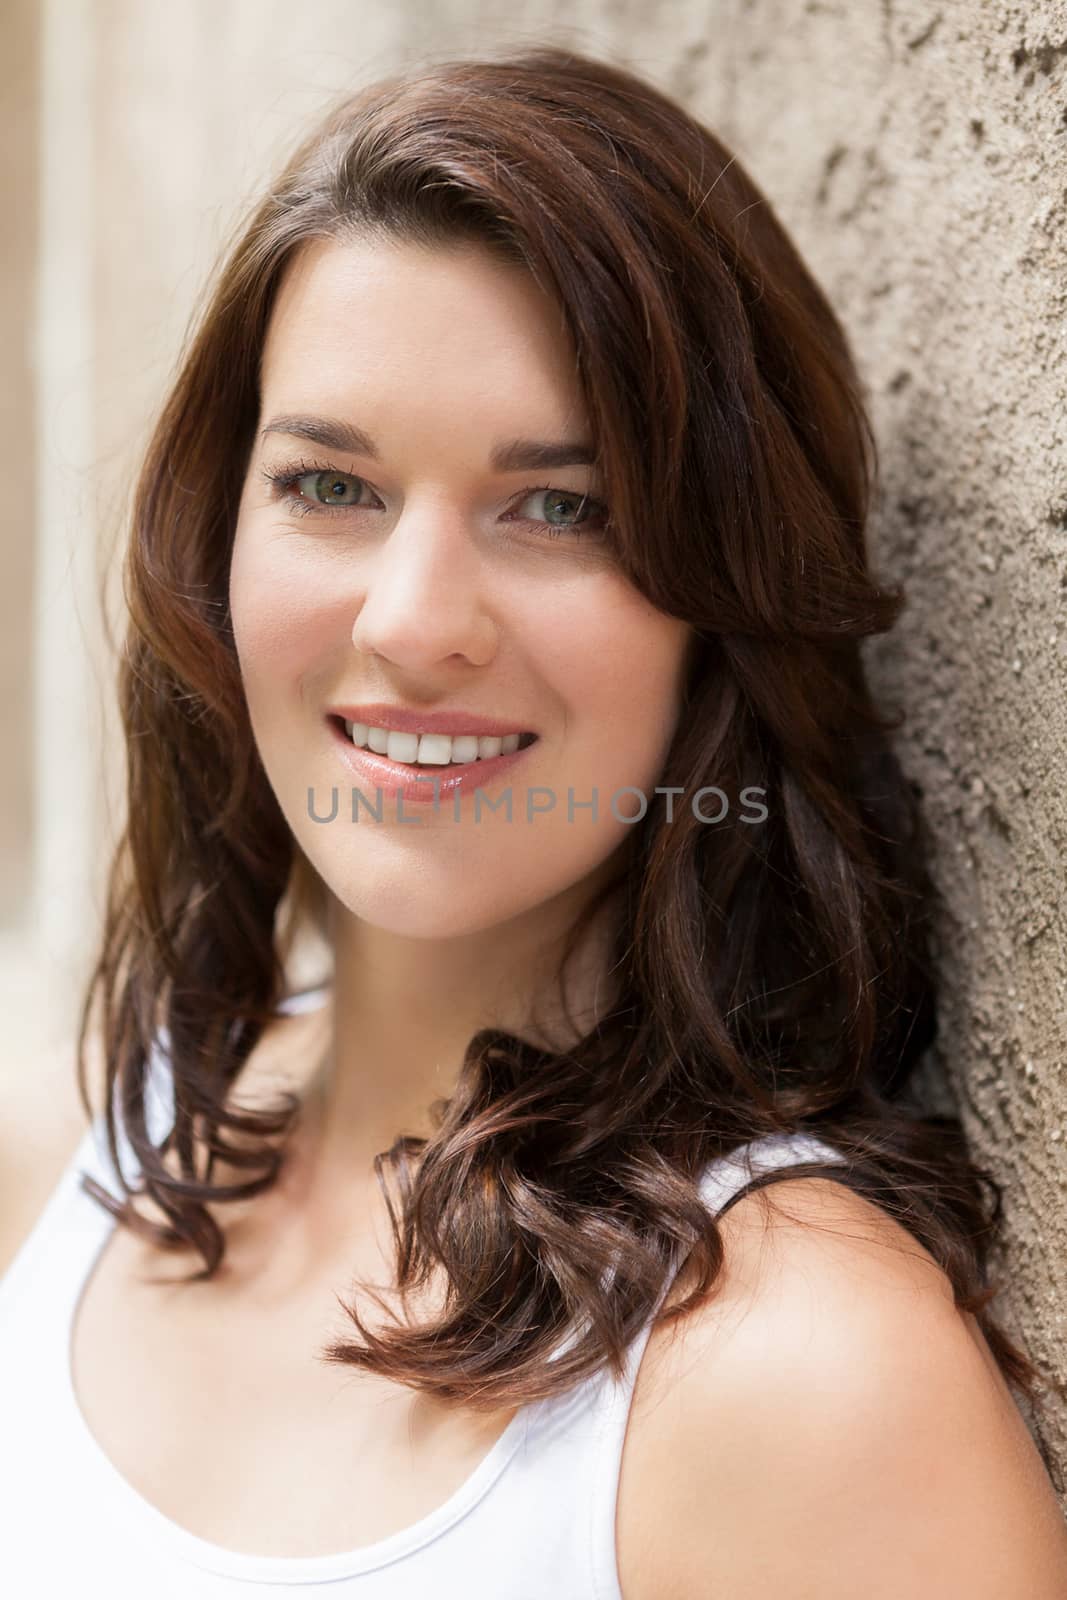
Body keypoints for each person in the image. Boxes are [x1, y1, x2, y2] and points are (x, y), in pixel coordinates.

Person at [2, 42, 1066, 1599]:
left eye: (558, 507)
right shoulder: (96, 1150)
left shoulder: (805, 1378)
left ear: (724, 609)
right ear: (213, 547)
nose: (417, 621)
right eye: (332, 486)